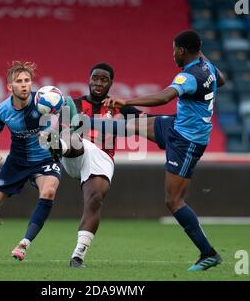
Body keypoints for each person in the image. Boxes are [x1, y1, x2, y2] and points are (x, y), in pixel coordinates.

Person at [103, 30, 226, 271]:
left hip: (187, 141)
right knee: (134, 124)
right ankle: (92, 123)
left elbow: (163, 97)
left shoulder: (190, 76)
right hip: (177, 125)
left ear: (182, 51)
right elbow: (221, 80)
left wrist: (126, 100)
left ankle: (208, 253)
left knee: (173, 201)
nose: (172, 55)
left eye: (173, 50)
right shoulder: (206, 65)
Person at [49, 63, 147, 268]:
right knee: (74, 138)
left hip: (102, 158)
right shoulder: (73, 104)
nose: (98, 83)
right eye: (95, 78)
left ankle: (77, 256)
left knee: (95, 200)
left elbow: (150, 122)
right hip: (75, 154)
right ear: (89, 79)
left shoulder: (121, 108)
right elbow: (63, 127)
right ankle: (59, 145)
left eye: (104, 79)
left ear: (111, 83)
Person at [0, 61, 62, 261]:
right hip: (16, 162)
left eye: (27, 80)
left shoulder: (45, 102)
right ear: (10, 87)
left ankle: (24, 244)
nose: (25, 85)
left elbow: (68, 113)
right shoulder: (3, 109)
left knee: (48, 191)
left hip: (45, 159)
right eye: (19, 81)